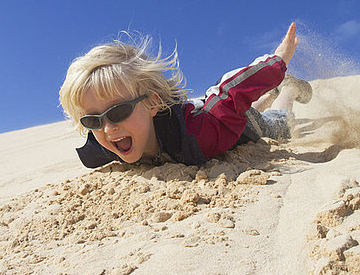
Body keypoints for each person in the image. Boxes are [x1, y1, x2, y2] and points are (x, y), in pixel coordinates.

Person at [59, 22, 312, 168]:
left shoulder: (200, 134)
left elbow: (231, 93)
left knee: (278, 123)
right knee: (253, 105)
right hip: (214, 110)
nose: (108, 128)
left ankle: (288, 88)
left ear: (152, 102)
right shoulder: (105, 146)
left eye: (118, 111)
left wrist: (279, 60)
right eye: (93, 120)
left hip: (239, 124)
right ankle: (269, 96)